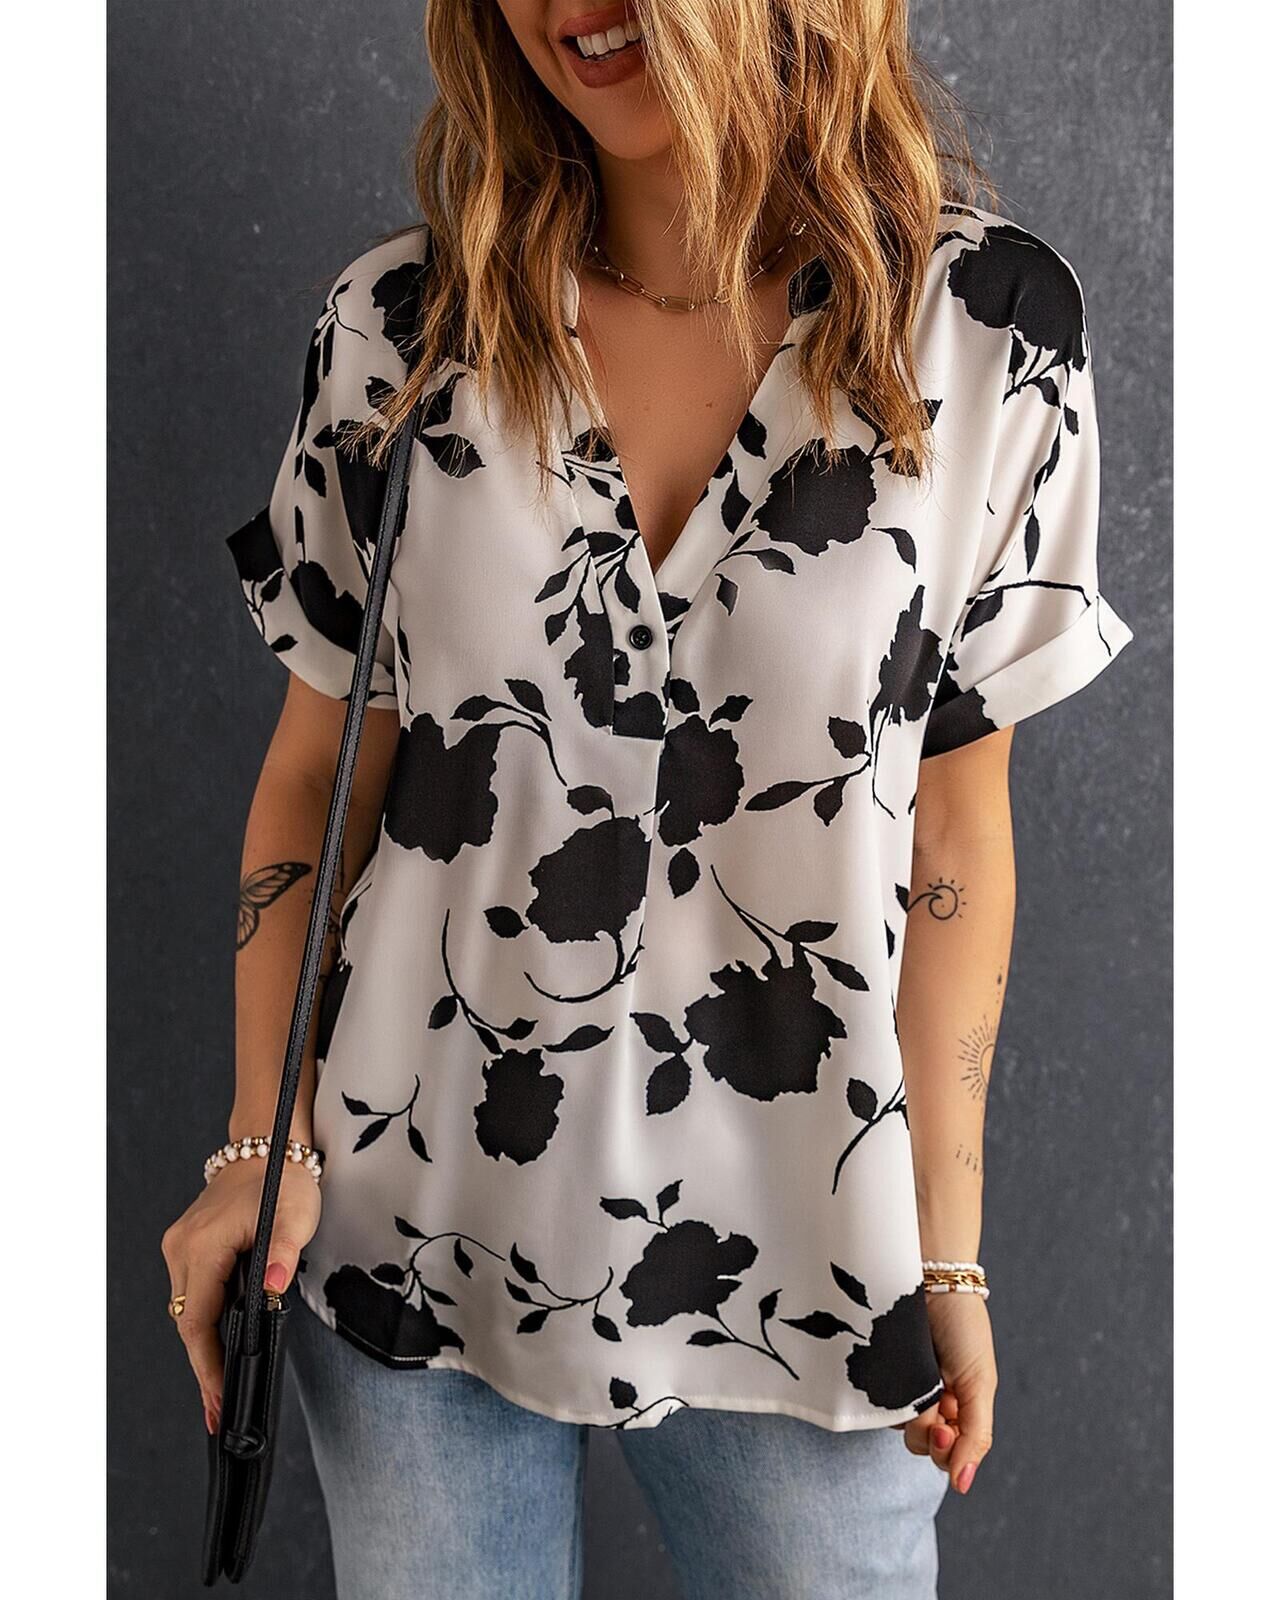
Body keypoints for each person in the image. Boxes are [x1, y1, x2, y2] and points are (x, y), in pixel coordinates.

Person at [161, 3, 1135, 1595]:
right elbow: (317, 778)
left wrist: (947, 1252)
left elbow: (959, 834)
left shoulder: (986, 333)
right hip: (411, 1222)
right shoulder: (402, 331)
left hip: (810, 1248)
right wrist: (256, 1150)